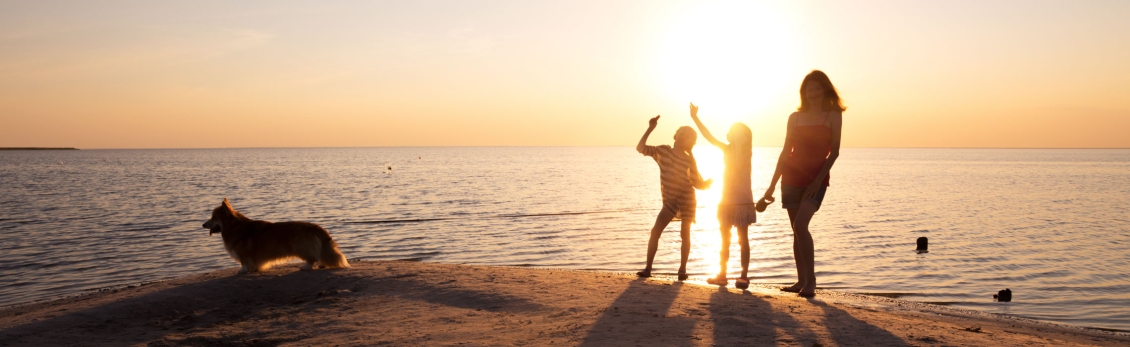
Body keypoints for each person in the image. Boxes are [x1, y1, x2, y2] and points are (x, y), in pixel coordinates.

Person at [763, 70, 844, 297]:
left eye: (818, 88)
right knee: (796, 230)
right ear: (804, 93)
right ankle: (801, 281)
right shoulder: (794, 118)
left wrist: (818, 180)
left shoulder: (833, 115)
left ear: (825, 90)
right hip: (791, 178)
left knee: (801, 226)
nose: (814, 93)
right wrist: (770, 186)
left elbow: (835, 152)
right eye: (810, 89)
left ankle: (811, 281)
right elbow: (784, 153)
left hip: (816, 180)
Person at [688, 103, 759, 289]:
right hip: (726, 199)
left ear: (744, 137)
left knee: (743, 238)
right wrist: (695, 117)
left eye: (738, 132)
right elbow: (708, 135)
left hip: (742, 200)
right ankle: (722, 274)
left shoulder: (746, 152)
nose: (733, 134)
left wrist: (738, 142)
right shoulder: (726, 148)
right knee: (724, 238)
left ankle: (743, 276)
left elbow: (737, 165)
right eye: (732, 131)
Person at [636, 115, 712, 281]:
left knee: (685, 234)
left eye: (689, 138)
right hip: (670, 201)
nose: (684, 138)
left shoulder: (689, 159)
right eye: (682, 134)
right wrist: (650, 128)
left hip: (687, 200)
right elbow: (640, 148)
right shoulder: (664, 151)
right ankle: (648, 269)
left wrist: (708, 182)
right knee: (655, 231)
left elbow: (697, 183)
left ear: (691, 143)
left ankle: (682, 270)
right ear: (676, 135)